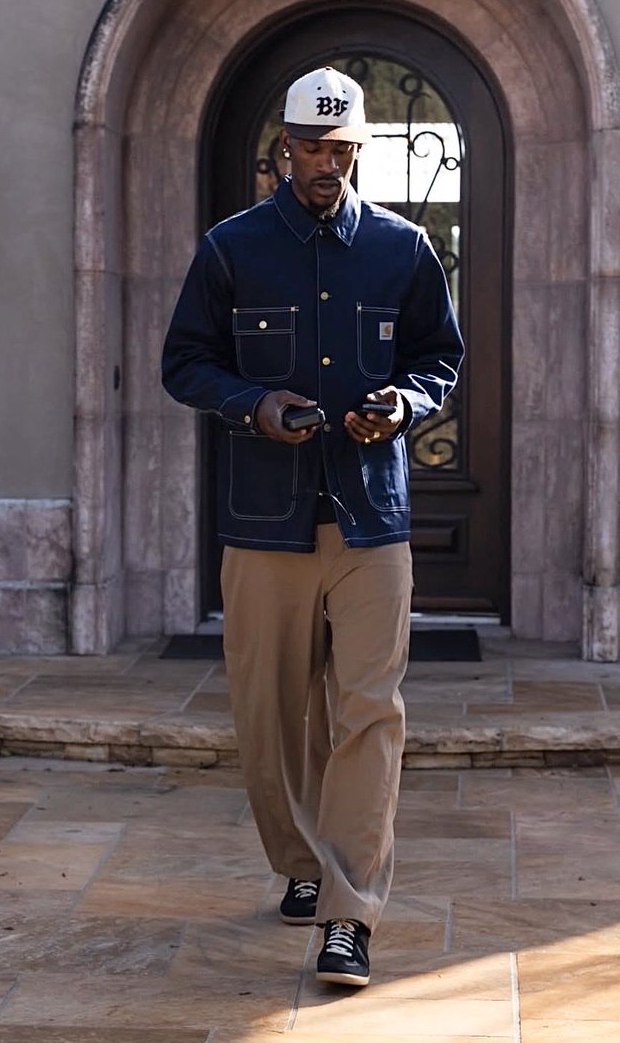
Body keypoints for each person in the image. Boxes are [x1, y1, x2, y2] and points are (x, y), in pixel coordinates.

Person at [162, 65, 463, 987]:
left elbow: (440, 360)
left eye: (343, 149)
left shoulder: (405, 249)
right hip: (265, 522)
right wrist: (255, 406)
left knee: (372, 712)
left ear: (357, 149)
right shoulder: (229, 249)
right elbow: (185, 364)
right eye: (312, 147)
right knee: (270, 718)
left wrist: (402, 405)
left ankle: (350, 912)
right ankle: (299, 862)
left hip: (373, 521)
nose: (327, 163)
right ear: (281, 148)